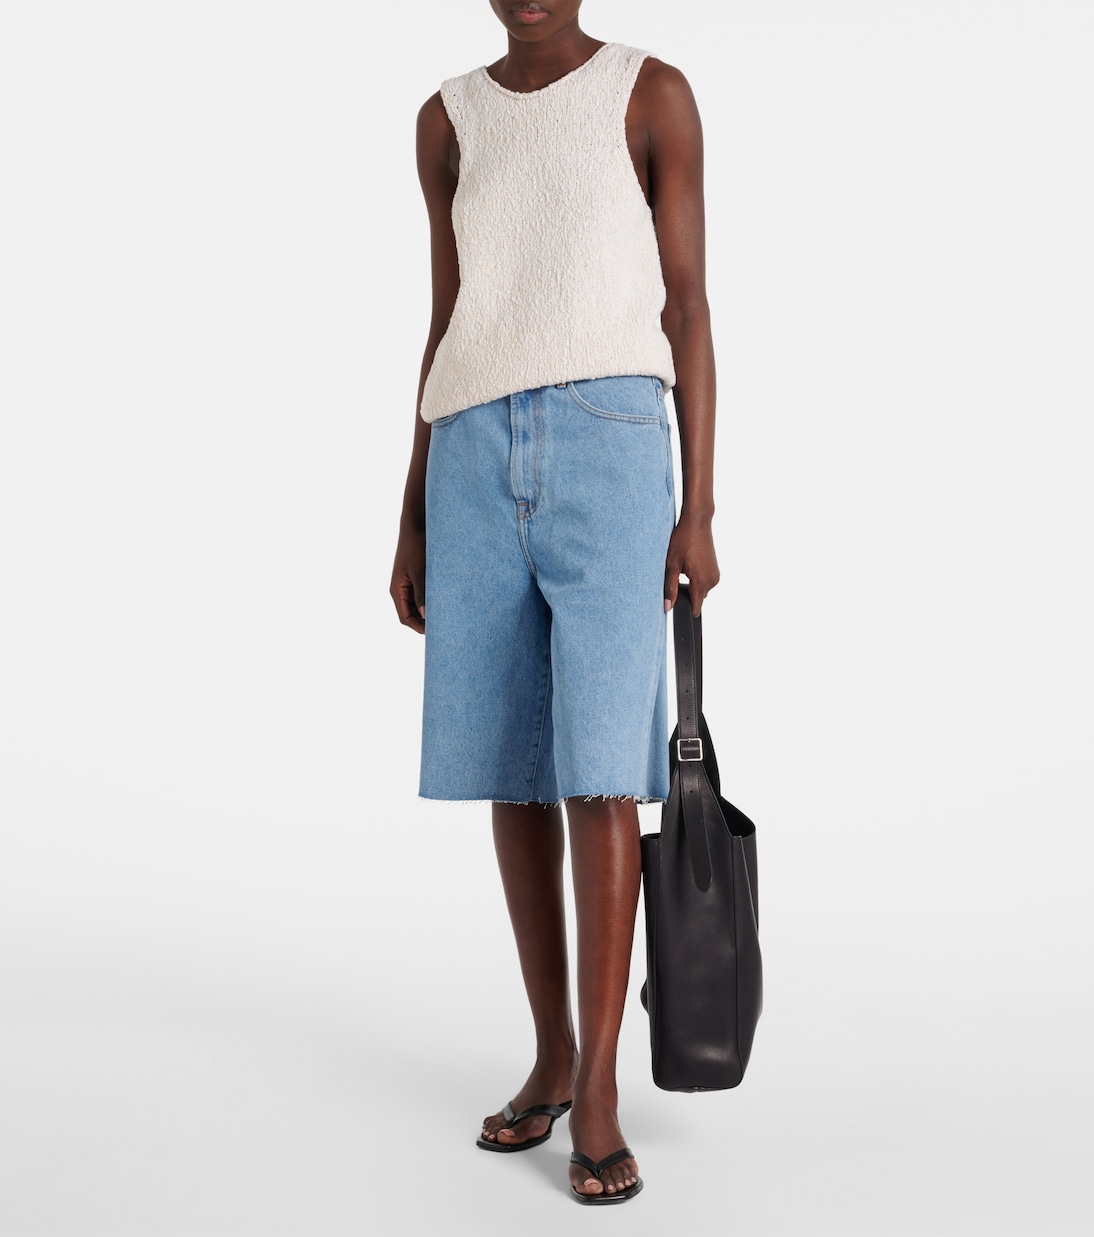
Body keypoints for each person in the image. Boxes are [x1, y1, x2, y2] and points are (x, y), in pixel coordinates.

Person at [389, 0, 719, 1205]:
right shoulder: (446, 120)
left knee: (597, 769)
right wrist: (412, 506)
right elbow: (447, 318)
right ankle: (550, 1051)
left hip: (611, 445)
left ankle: (599, 1089)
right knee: (513, 765)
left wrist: (698, 507)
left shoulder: (648, 91)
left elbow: (685, 305)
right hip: (471, 448)